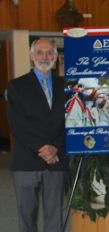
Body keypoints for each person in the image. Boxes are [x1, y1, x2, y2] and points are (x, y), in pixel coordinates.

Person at [6, 38, 68, 232]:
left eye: (50, 52)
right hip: (27, 159)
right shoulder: (16, 85)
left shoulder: (66, 86)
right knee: (27, 214)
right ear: (32, 57)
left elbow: (70, 122)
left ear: (56, 57)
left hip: (56, 159)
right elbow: (17, 123)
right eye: (40, 52)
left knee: (54, 215)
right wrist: (42, 148)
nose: (45, 56)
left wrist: (55, 147)